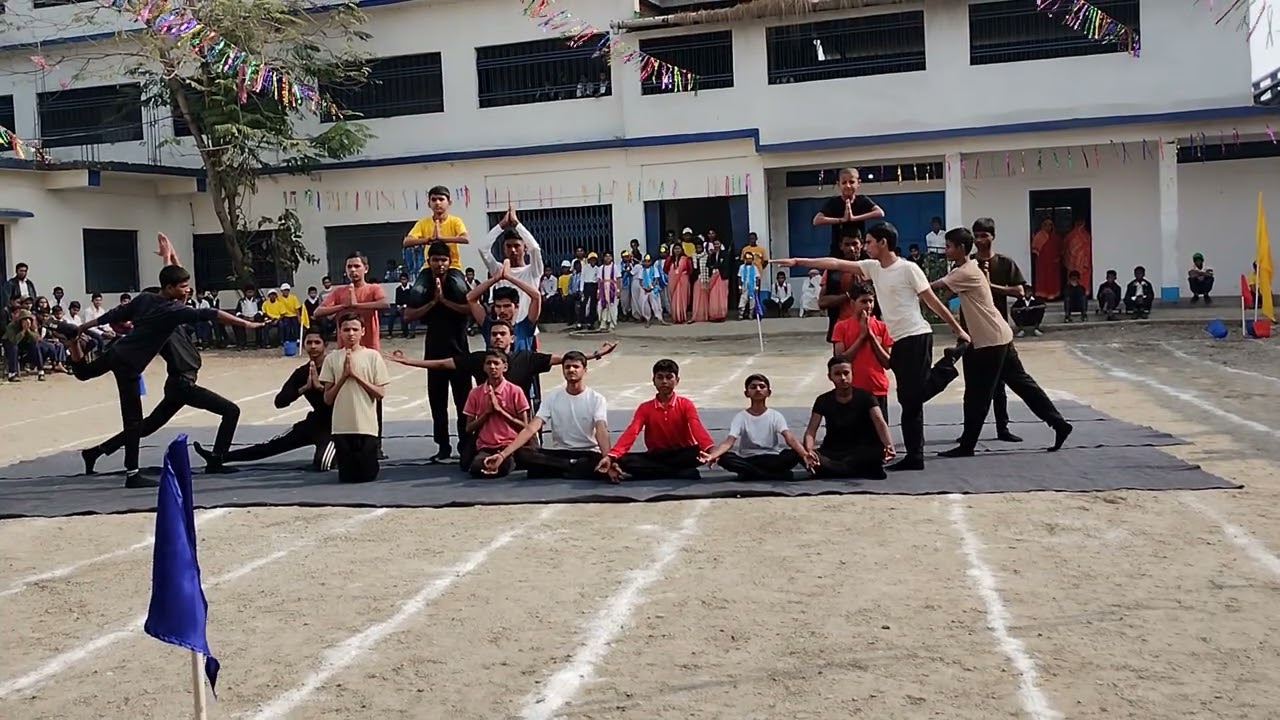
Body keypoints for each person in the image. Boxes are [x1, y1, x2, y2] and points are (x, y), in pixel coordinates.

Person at [773, 222, 969, 471]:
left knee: (912, 399)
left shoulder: (909, 269)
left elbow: (932, 302)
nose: (865, 247)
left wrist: (958, 329)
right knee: (909, 398)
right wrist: (798, 261)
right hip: (899, 339)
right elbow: (835, 264)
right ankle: (914, 456)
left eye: (868, 242)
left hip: (917, 336)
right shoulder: (873, 268)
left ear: (883, 243)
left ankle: (948, 364)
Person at [66, 264, 260, 487]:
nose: (187, 291)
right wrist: (247, 323)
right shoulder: (171, 316)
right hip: (168, 379)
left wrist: (81, 328)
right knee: (136, 422)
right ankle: (135, 474)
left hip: (121, 354)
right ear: (168, 290)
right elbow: (208, 313)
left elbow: (114, 314)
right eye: (183, 287)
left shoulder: (150, 304)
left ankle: (95, 452)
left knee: (139, 421)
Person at [932, 228, 1074, 458]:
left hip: (990, 341)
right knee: (1023, 385)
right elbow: (943, 295)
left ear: (960, 248)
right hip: (999, 336)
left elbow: (933, 287)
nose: (946, 250)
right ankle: (1059, 424)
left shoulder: (965, 271)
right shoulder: (967, 269)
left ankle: (967, 445)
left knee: (979, 394)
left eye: (948, 246)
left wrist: (904, 281)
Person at [194, 329, 336, 472]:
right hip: (315, 422)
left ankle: (344, 451)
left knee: (322, 464)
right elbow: (279, 402)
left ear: (325, 345)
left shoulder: (334, 367)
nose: (313, 346)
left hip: (335, 426)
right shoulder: (302, 372)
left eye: (317, 343)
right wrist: (303, 388)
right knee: (271, 446)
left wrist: (320, 388)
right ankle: (219, 458)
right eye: (309, 342)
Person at [479, 350, 612, 480]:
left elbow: (601, 429)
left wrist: (607, 457)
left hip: (588, 453)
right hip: (560, 453)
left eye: (576, 366)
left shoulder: (596, 399)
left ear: (584, 370)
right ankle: (573, 467)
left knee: (600, 461)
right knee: (523, 454)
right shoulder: (552, 397)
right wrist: (502, 455)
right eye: (567, 367)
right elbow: (531, 428)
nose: (571, 370)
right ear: (563, 370)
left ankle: (563, 470)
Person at [313, 251, 391, 456]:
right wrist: (343, 305)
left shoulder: (373, 288)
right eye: (349, 267)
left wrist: (357, 305)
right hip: (343, 353)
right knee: (342, 397)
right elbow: (318, 312)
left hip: (369, 351)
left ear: (366, 268)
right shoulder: (339, 292)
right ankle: (341, 442)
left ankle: (376, 445)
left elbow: (384, 304)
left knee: (374, 398)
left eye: (357, 266)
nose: (353, 270)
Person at [404, 242, 474, 462]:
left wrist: (445, 301)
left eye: (443, 260)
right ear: (429, 262)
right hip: (434, 353)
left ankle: (465, 445)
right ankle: (443, 447)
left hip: (459, 352)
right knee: (438, 404)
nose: (440, 264)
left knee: (464, 404)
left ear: (450, 262)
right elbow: (408, 315)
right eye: (435, 260)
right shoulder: (424, 287)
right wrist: (434, 302)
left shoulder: (456, 285)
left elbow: (469, 309)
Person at [597, 358, 714, 481]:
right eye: (660, 377)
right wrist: (612, 456)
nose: (664, 382)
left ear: (677, 380)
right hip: (657, 455)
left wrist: (711, 450)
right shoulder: (645, 408)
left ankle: (657, 472)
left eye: (669, 377)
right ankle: (677, 472)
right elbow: (632, 432)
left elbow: (697, 428)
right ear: (653, 380)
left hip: (683, 453)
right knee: (622, 460)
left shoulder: (686, 404)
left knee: (698, 453)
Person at [969, 217, 1029, 442]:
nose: (979, 240)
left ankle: (1002, 428)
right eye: (976, 235)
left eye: (984, 235)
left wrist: (989, 285)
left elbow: (1019, 292)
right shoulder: (968, 263)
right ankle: (969, 430)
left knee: (1000, 384)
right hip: (973, 330)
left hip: (998, 330)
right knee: (973, 384)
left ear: (993, 236)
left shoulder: (1005, 263)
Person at [320, 312, 390, 483]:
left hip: (366, 426)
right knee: (347, 477)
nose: (350, 333)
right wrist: (343, 376)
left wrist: (356, 376)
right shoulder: (332, 358)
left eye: (354, 329)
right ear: (340, 332)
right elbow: (328, 398)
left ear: (363, 332)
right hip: (342, 427)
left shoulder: (372, 356)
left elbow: (380, 393)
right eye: (346, 329)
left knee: (367, 476)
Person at [699, 373, 808, 480]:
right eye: (753, 387)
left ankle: (751, 474)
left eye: (762, 386)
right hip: (749, 458)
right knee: (724, 458)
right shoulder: (741, 417)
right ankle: (772, 475)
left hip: (772, 458)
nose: (758, 389)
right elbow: (729, 442)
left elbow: (790, 438)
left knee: (795, 452)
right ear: (747, 393)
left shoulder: (776, 416)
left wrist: (804, 454)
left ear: (769, 392)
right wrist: (713, 455)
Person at [802, 356, 894, 479]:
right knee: (797, 454)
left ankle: (836, 470)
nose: (843, 378)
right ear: (830, 377)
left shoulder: (867, 397)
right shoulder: (823, 400)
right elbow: (811, 430)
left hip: (861, 450)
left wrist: (889, 445)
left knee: (876, 454)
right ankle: (849, 469)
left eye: (846, 373)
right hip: (833, 451)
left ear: (852, 374)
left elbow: (880, 422)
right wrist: (809, 451)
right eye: (837, 374)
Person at [462, 350, 531, 478]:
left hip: (509, 446)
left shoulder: (515, 391)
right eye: (489, 363)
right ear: (484, 367)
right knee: (476, 467)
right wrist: (487, 413)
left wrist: (500, 411)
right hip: (486, 446)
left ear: (504, 367)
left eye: (496, 363)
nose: (492, 367)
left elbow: (525, 427)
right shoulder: (475, 393)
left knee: (504, 466)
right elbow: (469, 427)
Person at [830, 283, 892, 424]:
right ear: (853, 303)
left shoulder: (882, 327)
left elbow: (888, 363)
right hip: (852, 390)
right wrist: (862, 338)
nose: (868, 306)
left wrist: (871, 337)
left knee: (879, 434)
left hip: (877, 389)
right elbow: (840, 360)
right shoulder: (841, 327)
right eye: (863, 301)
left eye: (871, 301)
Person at [478, 204, 544, 328]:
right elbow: (482, 249)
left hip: (526, 330)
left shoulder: (533, 271)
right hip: (504, 329)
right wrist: (501, 225)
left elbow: (535, 249)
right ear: (503, 249)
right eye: (508, 246)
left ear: (525, 248)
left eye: (517, 246)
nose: (513, 250)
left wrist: (516, 224)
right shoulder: (498, 270)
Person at [1031, 217, 1062, 300]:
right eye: (1046, 224)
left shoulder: (1055, 237)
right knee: (1042, 278)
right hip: (1042, 262)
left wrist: (1058, 257)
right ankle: (1042, 295)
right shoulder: (1039, 236)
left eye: (1050, 225)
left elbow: (1060, 249)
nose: (1048, 227)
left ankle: (1053, 296)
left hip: (1053, 263)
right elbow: (1034, 250)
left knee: (1053, 280)